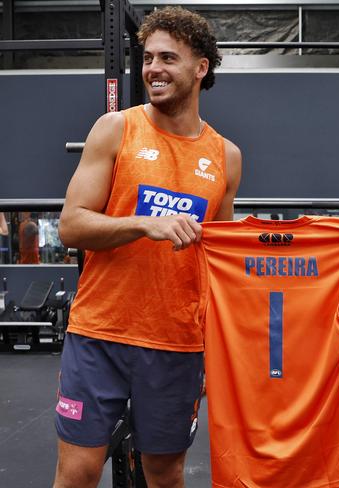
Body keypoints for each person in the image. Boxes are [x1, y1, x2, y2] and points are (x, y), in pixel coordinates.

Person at [54, 7, 242, 488]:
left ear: (201, 68)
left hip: (176, 343)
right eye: (148, 58)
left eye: (168, 58)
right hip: (101, 334)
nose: (153, 69)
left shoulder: (226, 156)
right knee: (77, 472)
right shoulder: (116, 128)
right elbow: (72, 225)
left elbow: (218, 256)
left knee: (164, 474)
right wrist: (144, 224)